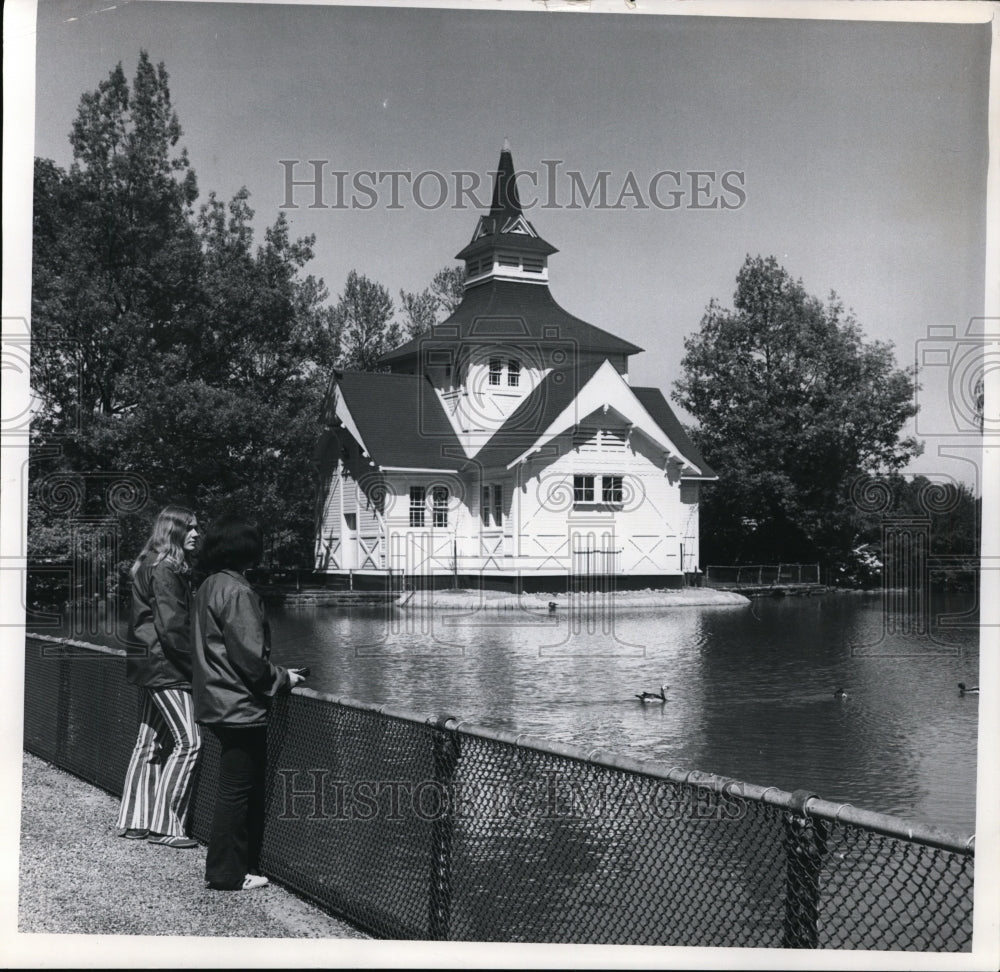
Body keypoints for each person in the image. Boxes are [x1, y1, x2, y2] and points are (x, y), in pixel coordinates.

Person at [192, 514, 307, 892]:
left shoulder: (209, 585)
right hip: (239, 706)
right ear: (247, 551)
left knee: (232, 787)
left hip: (216, 699)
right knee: (237, 791)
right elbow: (248, 658)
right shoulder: (238, 591)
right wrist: (283, 678)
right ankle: (226, 874)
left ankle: (235, 867)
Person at [117, 505, 203, 849]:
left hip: (148, 665)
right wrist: (198, 670)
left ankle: (135, 820)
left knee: (148, 743)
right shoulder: (166, 569)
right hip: (167, 668)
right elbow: (173, 629)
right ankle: (166, 825)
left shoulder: (149, 564)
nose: (198, 534)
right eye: (191, 528)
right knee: (189, 742)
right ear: (175, 532)